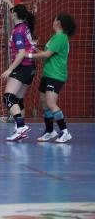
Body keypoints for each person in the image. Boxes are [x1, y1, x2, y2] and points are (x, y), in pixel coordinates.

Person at [27, 13, 76, 143]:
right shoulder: (55, 37)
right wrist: (34, 48)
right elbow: (46, 54)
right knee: (44, 103)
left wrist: (29, 56)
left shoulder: (61, 37)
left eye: (54, 20)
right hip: (47, 74)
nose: (52, 22)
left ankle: (65, 131)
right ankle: (50, 131)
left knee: (51, 103)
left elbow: (47, 54)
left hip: (56, 75)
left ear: (58, 22)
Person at [2, 1, 37, 141]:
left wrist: (10, 69)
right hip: (30, 68)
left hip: (22, 67)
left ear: (15, 14)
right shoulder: (25, 25)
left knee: (8, 97)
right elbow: (17, 12)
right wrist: (9, 2)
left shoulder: (18, 31)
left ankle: (21, 126)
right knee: (18, 99)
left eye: (12, 12)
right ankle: (20, 131)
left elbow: (21, 53)